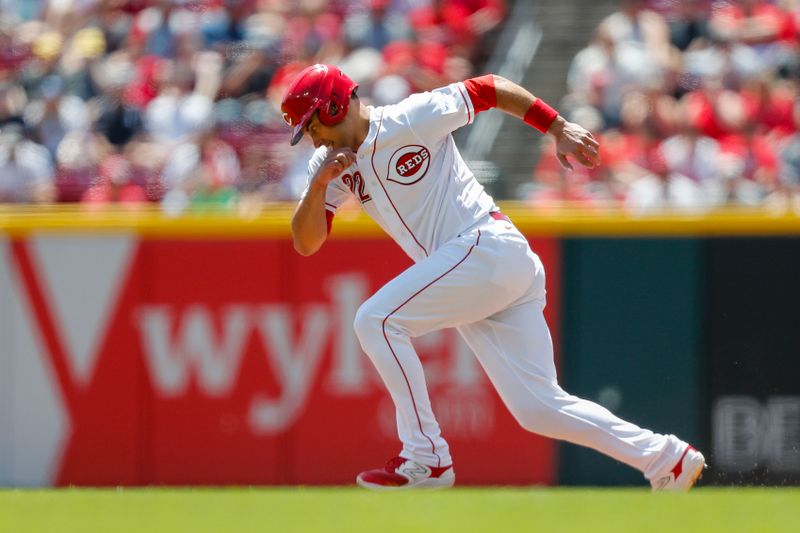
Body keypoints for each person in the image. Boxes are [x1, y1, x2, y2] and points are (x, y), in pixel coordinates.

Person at [282, 63, 706, 491]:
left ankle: (425, 458)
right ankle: (666, 459)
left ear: (335, 107)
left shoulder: (409, 117)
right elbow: (306, 243)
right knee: (539, 409)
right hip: (480, 270)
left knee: (376, 321)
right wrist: (318, 186)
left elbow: (488, 89)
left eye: (312, 123)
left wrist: (556, 127)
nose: (312, 136)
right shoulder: (330, 165)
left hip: (485, 245)